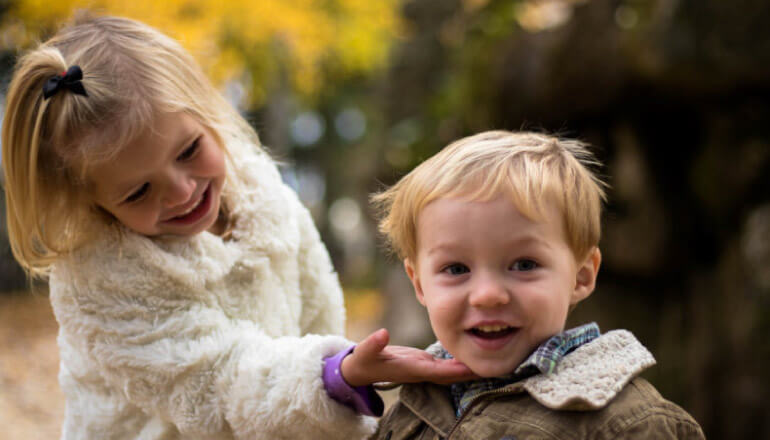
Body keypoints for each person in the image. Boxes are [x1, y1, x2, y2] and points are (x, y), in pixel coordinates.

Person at [1, 14, 472, 439]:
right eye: (138, 192)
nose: (182, 191)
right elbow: (215, 385)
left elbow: (315, 307)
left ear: (208, 114)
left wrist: (340, 393)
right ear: (92, 202)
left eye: (188, 151)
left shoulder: (260, 196)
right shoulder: (102, 280)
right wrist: (332, 377)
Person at [342, 131, 706, 438]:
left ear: (581, 276)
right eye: (456, 269)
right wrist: (342, 382)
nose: (487, 295)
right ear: (419, 285)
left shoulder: (627, 423)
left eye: (524, 264)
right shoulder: (411, 401)